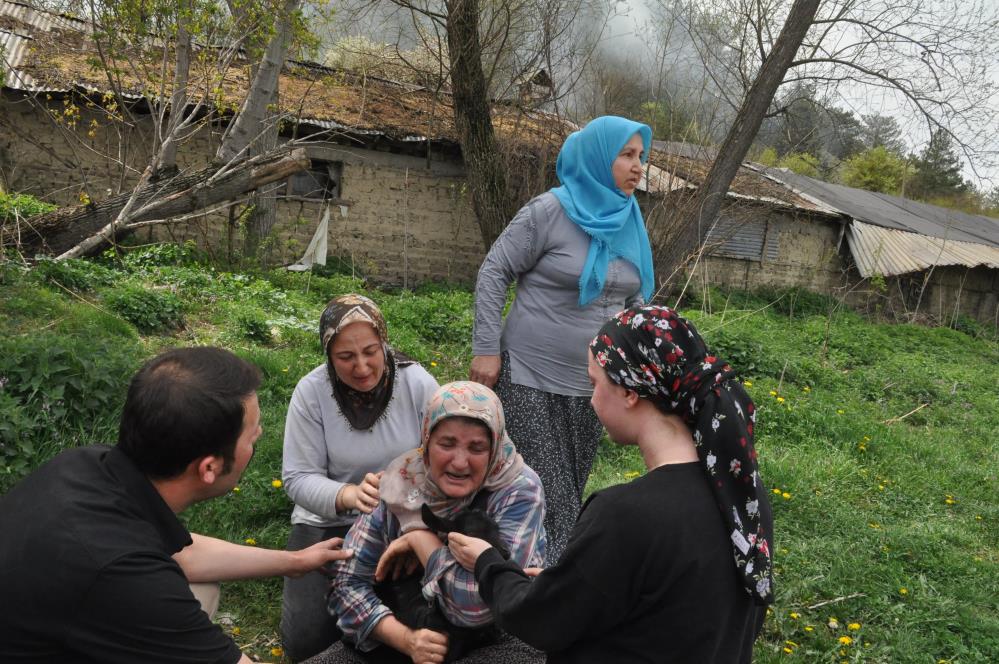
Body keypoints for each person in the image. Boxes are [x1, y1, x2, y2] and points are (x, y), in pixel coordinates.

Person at [450, 306, 775, 663]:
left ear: (629, 392)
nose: (591, 400)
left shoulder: (626, 514)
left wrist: (488, 562)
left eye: (595, 383)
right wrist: (573, 583)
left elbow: (539, 623)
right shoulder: (742, 494)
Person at [0, 346, 352, 664]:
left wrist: (294, 561)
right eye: (253, 434)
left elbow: (182, 554)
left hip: (48, 620)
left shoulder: (85, 465)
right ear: (209, 467)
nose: (259, 437)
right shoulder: (128, 581)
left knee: (201, 587)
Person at [469, 115, 655, 563]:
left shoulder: (629, 220)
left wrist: (635, 373)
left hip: (594, 386)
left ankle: (520, 578)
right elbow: (495, 271)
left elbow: (635, 302)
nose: (638, 167)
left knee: (569, 483)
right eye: (627, 155)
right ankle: (547, 588)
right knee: (544, 489)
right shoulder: (548, 211)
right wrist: (486, 348)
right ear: (597, 159)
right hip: (529, 373)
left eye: (641, 157)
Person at [308, 381, 547, 664]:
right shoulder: (401, 483)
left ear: (494, 447)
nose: (460, 462)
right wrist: (406, 640)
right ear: (426, 441)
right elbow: (346, 583)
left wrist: (420, 540)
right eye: (447, 444)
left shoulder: (518, 490)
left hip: (493, 639)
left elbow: (480, 606)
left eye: (477, 447)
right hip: (403, 633)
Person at [281, 294, 440, 661]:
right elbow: (297, 477)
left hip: (406, 522)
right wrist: (349, 495)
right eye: (346, 357)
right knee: (307, 645)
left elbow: (442, 458)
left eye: (371, 351)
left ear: (384, 341)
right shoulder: (311, 392)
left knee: (424, 627)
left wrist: (410, 510)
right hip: (328, 525)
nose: (362, 366)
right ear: (328, 353)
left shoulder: (417, 384)